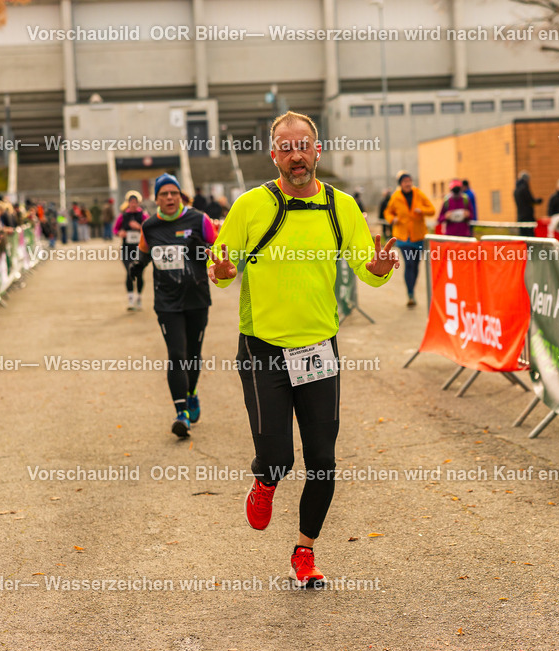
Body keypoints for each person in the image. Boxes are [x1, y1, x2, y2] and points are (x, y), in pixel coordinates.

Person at [207, 111, 399, 588]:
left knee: (323, 461)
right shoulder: (251, 205)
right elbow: (222, 264)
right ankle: (265, 480)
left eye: (304, 144)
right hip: (263, 348)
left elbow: (368, 271)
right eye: (286, 146)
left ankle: (304, 552)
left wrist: (380, 266)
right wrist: (222, 272)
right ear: (274, 155)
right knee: (278, 457)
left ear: (318, 150)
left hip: (318, 349)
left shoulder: (342, 207)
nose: (296, 154)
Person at [132, 174, 217, 438]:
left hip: (197, 298)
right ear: (156, 198)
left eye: (174, 193)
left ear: (180, 196)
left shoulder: (198, 219)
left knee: (193, 354)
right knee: (177, 355)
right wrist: (137, 265)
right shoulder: (150, 226)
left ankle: (191, 393)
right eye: (164, 194)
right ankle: (181, 413)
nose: (169, 198)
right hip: (167, 302)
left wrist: (202, 247)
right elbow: (145, 252)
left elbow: (220, 250)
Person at [384, 171, 434, 307]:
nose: (408, 184)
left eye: (409, 181)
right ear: (400, 184)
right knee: (409, 263)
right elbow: (387, 212)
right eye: (405, 181)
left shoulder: (418, 194)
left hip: (418, 236)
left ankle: (412, 289)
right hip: (403, 236)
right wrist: (391, 219)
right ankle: (410, 293)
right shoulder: (396, 197)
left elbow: (432, 210)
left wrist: (422, 210)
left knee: (416, 265)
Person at [115, 191, 150, 311]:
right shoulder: (123, 216)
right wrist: (120, 233)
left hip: (140, 249)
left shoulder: (144, 216)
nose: (133, 204)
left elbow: (150, 229)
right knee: (129, 271)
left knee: (139, 273)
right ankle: (130, 299)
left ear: (138, 203)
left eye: (135, 202)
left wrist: (139, 227)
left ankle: (139, 298)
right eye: (131, 202)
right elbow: (116, 229)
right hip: (127, 249)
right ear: (128, 203)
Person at [514, 171, 542, 237]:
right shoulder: (524, 188)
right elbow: (530, 200)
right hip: (527, 216)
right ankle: (530, 247)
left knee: (522, 234)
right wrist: (538, 201)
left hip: (520, 215)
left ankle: (525, 247)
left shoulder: (516, 189)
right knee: (530, 234)